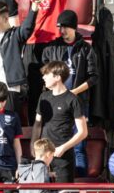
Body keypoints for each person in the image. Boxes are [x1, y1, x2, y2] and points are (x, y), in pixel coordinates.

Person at [15, 0, 72, 120]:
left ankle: (53, 123)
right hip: (32, 42)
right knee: (33, 89)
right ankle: (34, 126)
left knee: (53, 85)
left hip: (52, 42)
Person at [41, 10, 98, 177]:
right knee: (53, 144)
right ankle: (55, 184)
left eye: (66, 27)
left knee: (79, 146)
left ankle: (78, 184)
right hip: (55, 103)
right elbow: (44, 72)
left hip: (78, 102)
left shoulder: (85, 49)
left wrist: (73, 92)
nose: (62, 31)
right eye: (60, 27)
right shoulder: (52, 48)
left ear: (74, 28)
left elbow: (94, 77)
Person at [32, 61, 88, 184]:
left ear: (58, 77)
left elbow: (83, 132)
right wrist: (34, 148)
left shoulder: (73, 99)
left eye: (47, 74)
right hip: (42, 155)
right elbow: (37, 124)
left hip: (62, 156)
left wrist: (63, 148)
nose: (43, 77)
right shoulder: (44, 97)